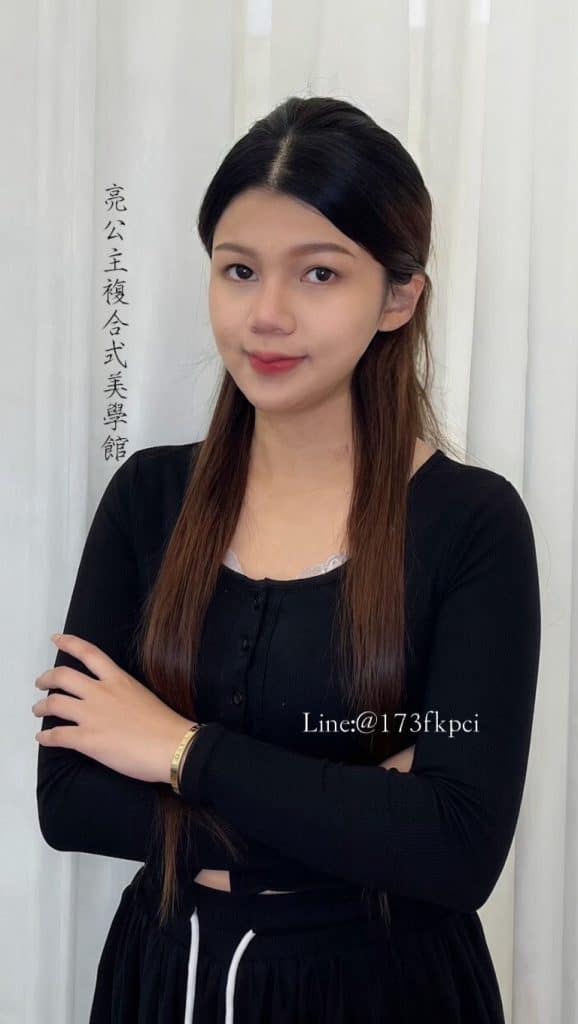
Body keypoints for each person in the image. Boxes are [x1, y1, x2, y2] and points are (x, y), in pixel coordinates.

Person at [34, 95, 541, 1023]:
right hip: (166, 976)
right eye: (239, 270)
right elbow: (69, 802)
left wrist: (175, 749)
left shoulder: (473, 523)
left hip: (386, 989)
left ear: (398, 298)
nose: (266, 315)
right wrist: (361, 812)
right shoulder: (149, 499)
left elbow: (457, 851)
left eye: (319, 273)